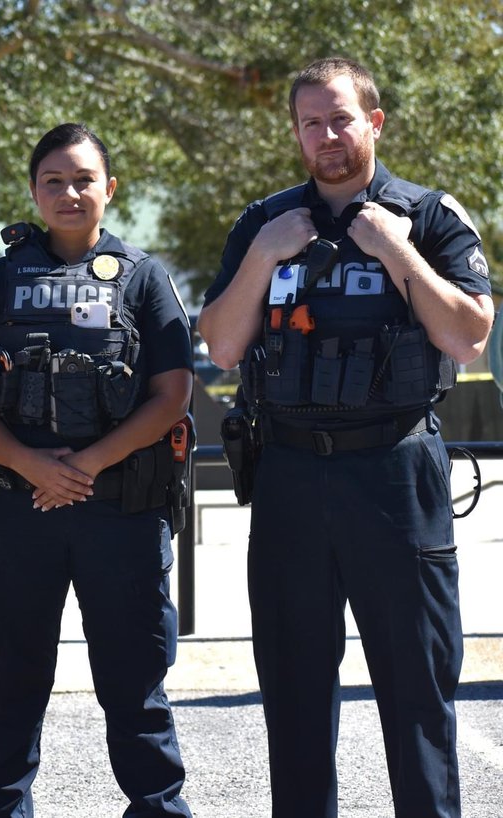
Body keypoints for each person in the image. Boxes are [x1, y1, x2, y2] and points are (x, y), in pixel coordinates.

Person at [197, 57, 494, 818]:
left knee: (416, 691)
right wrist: (266, 253)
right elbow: (223, 347)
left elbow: (468, 339)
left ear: (374, 122)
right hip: (292, 473)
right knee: (293, 692)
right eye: (310, 123)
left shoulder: (430, 216)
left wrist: (397, 252)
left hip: (396, 473)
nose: (327, 136)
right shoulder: (263, 224)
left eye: (340, 119)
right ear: (296, 134)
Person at [0, 123, 194, 818]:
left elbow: (173, 395)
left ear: (109, 190)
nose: (69, 192)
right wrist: (32, 467)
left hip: (120, 510)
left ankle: (158, 808)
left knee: (135, 684)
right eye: (53, 181)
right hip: (16, 510)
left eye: (84, 179)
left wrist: (80, 468)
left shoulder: (144, 278)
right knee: (13, 682)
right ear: (33, 191)